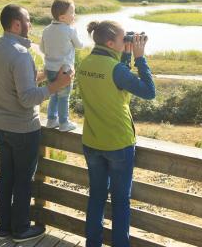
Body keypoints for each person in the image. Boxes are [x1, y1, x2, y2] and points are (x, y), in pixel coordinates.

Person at [0, 4, 73, 243]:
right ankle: (21, 229)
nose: (31, 24)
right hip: (23, 129)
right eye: (28, 20)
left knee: (7, 177)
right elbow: (27, 99)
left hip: (1, 125)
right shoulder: (21, 53)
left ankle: (4, 227)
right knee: (23, 181)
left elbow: (14, 81)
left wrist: (45, 76)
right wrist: (58, 86)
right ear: (17, 24)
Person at [77, 21, 155, 247]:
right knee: (121, 202)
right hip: (119, 143)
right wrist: (140, 58)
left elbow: (114, 81)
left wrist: (126, 55)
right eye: (124, 39)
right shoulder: (116, 69)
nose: (127, 41)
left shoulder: (85, 64)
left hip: (92, 141)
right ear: (111, 43)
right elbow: (149, 92)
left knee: (97, 197)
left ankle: (93, 244)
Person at [40, 0, 84, 132]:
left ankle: (51, 120)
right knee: (64, 97)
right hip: (65, 70)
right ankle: (64, 122)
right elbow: (80, 46)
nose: (74, 15)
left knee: (54, 94)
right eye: (72, 12)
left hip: (50, 69)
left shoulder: (46, 29)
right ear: (63, 17)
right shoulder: (70, 30)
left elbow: (42, 49)